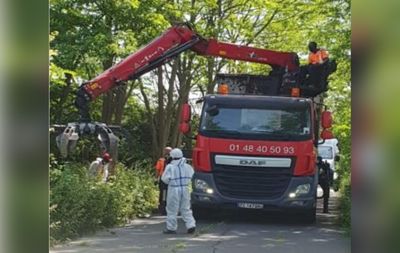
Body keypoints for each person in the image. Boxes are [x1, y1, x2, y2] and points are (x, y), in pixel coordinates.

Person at [161, 148, 196, 234]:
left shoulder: (170, 167)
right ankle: (191, 225)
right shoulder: (187, 166)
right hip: (185, 188)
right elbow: (192, 176)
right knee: (186, 208)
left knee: (172, 209)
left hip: (174, 188)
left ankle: (171, 228)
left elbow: (164, 179)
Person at [155, 146, 172, 214]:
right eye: (166, 151)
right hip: (163, 178)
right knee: (162, 193)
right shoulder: (161, 160)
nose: (167, 152)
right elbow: (157, 170)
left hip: (171, 179)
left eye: (169, 151)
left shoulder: (174, 161)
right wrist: (156, 178)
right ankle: (162, 207)